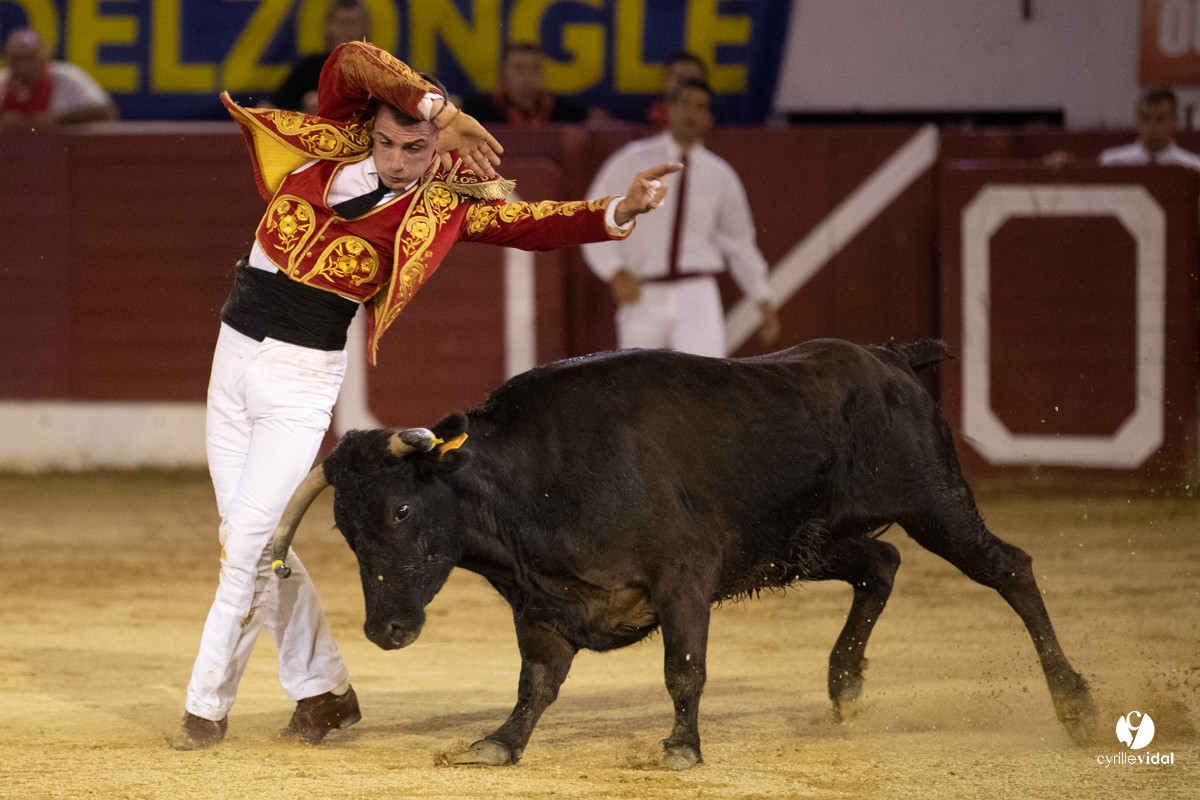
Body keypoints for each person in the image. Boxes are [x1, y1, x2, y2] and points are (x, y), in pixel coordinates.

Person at [170, 39, 678, 751]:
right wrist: (440, 109)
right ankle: (323, 692)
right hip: (232, 359)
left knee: (251, 544)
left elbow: (532, 225)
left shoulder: (442, 208)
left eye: (415, 148)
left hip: (298, 380)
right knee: (247, 542)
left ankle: (204, 710)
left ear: (439, 151)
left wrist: (617, 210)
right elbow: (351, 57)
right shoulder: (334, 140)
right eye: (387, 141)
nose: (396, 159)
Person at [582, 79, 780, 358]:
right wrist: (614, 270)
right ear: (668, 110)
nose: (690, 113)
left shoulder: (720, 176)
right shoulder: (631, 162)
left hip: (697, 293)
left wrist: (762, 298)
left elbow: (739, 244)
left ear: (709, 118)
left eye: (700, 107)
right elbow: (594, 217)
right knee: (639, 380)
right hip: (643, 291)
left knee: (704, 379)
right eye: (684, 104)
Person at [460, 41, 605, 125]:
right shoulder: (483, 106)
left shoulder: (560, 109)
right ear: (504, 73)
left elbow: (599, 119)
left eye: (535, 68)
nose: (528, 76)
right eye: (519, 68)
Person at [0, 29, 118, 129]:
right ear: (7, 61)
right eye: (16, 60)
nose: (24, 66)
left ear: (46, 58)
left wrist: (58, 119)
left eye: (31, 58)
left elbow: (106, 112)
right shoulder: (2, 82)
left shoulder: (68, 78)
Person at [268, 0, 371, 114]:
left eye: (353, 23)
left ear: (365, 27)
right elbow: (267, 109)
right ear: (330, 26)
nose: (347, 30)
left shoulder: (374, 69)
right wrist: (307, 116)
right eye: (342, 22)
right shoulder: (310, 67)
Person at [1098, 86, 1200, 170]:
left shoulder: (1194, 168)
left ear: (1175, 120)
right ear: (1137, 119)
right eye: (1146, 118)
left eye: (1161, 118)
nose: (1153, 126)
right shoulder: (1112, 164)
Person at [646, 52, 707, 131]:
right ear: (665, 79)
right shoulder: (644, 117)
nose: (686, 86)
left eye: (693, 81)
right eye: (681, 79)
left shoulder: (715, 123)